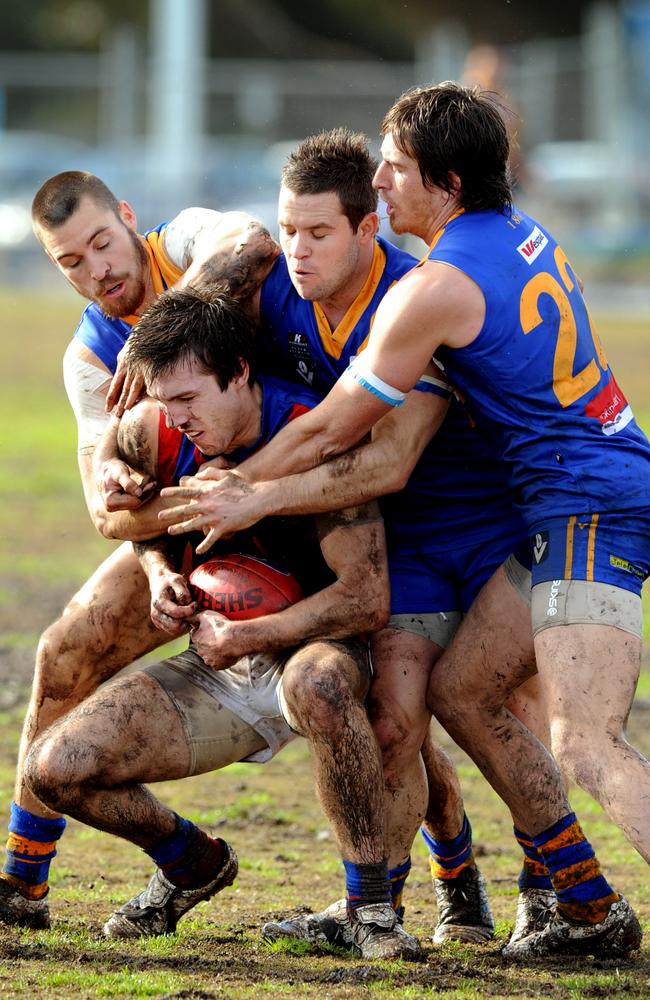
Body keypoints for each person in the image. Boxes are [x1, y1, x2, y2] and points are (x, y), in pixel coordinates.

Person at [156, 96, 648, 960]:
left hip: (584, 507)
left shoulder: (431, 288)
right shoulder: (517, 232)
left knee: (587, 741)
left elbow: (338, 431)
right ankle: (586, 904)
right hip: (583, 493)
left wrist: (241, 491)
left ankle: (561, 897)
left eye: (395, 164)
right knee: (459, 693)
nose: (379, 180)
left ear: (446, 182)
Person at [25, 287, 423, 961]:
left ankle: (373, 911)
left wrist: (247, 635)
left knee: (326, 691)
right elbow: (126, 499)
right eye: (162, 400)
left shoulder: (311, 437)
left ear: (239, 373)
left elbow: (364, 599)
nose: (174, 419)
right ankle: (193, 864)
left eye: (187, 400)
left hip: (313, 647)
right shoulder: (155, 431)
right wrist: (159, 575)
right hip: (219, 661)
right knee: (56, 768)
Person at [0, 171, 278, 929]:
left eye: (102, 243)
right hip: (193, 526)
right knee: (62, 651)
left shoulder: (181, 240)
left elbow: (253, 240)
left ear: (128, 218)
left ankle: (459, 881)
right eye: (72, 262)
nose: (99, 271)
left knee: (392, 699)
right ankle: (23, 884)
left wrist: (162, 333)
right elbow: (106, 506)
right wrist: (125, 487)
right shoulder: (88, 357)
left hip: (297, 506)